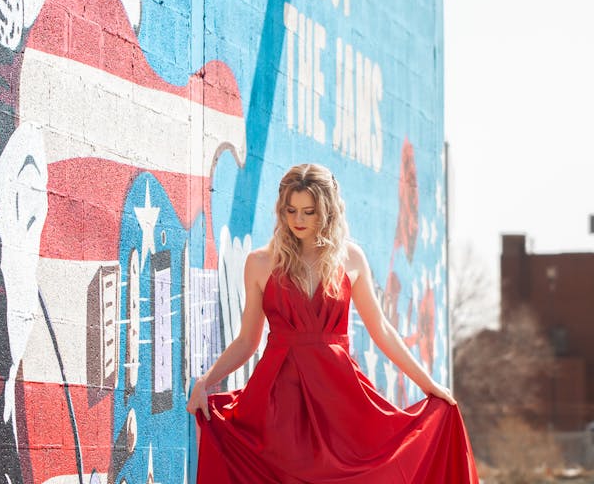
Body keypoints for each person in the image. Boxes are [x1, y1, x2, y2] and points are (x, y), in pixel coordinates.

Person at [186, 163, 479, 483]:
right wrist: (207, 381)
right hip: (279, 399)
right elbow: (247, 340)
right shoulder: (259, 262)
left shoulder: (351, 259)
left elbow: (381, 329)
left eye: (308, 212)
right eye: (291, 210)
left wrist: (429, 386)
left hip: (340, 396)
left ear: (327, 212)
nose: (297, 220)